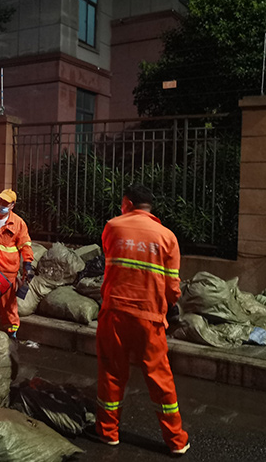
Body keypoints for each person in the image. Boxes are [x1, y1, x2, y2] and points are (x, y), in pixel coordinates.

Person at [96, 184, 190, 455]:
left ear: (127, 203)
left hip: (114, 313)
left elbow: (110, 258)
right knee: (160, 378)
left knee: (112, 373)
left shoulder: (112, 227)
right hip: (149, 317)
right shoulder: (167, 237)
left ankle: (108, 432)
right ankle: (176, 440)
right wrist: (169, 306)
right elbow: (173, 286)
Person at [0, 189, 34, 338]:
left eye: (5, 203)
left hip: (7, 272)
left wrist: (27, 265)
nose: (1, 205)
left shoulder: (18, 224)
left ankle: (12, 332)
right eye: (0, 201)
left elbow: (25, 246)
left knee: (8, 304)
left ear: (12, 205)